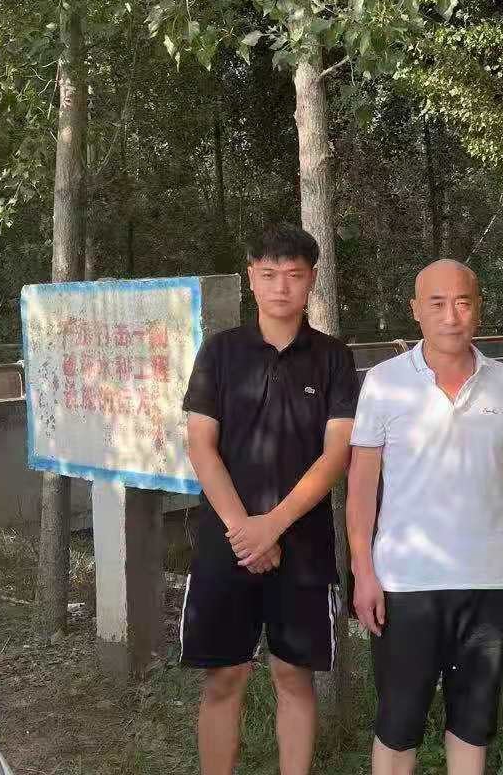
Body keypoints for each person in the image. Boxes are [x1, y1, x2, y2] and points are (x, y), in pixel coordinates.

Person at [346, 259, 503, 775]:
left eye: (462, 302)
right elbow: (361, 486)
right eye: (437, 303)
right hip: (405, 583)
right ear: (416, 310)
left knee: (473, 725)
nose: (451, 316)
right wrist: (363, 571)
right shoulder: (384, 383)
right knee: (398, 724)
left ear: (478, 309)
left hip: (487, 581)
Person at [180, 224, 359, 775]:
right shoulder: (220, 352)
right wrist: (245, 531)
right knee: (223, 676)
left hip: (303, 545)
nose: (282, 286)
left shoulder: (333, 358)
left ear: (311, 281)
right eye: (269, 274)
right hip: (226, 542)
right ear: (251, 278)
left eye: (294, 275)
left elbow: (336, 454)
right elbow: (201, 445)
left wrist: (271, 527)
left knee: (293, 676)